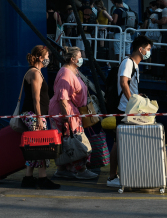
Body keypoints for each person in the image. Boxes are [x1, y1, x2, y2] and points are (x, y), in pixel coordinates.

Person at [107, 35, 153, 188]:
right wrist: (133, 102)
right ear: (140, 49)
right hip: (125, 110)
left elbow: (129, 86)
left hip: (130, 109)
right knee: (118, 143)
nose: (148, 52)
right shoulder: (128, 63)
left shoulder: (134, 65)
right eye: (147, 49)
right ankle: (112, 177)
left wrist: (137, 96)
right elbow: (123, 82)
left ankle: (122, 174)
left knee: (123, 143)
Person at [49, 47, 97, 180]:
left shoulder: (73, 71)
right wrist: (66, 117)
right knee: (75, 139)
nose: (82, 59)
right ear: (72, 59)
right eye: (80, 57)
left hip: (72, 110)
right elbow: (63, 98)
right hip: (65, 111)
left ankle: (63, 169)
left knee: (66, 140)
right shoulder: (66, 74)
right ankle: (81, 169)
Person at [20, 45, 60, 190]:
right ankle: (42, 179)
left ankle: (28, 178)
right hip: (34, 115)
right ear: (40, 57)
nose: (48, 59)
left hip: (33, 114)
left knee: (34, 148)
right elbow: (36, 99)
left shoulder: (35, 72)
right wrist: (38, 119)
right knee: (41, 147)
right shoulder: (35, 73)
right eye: (47, 57)